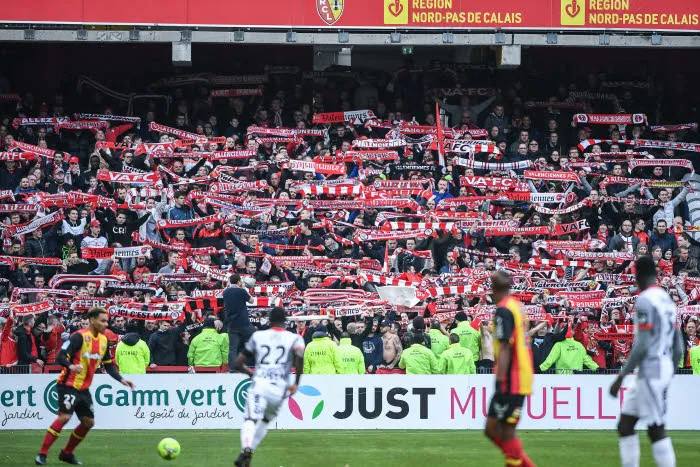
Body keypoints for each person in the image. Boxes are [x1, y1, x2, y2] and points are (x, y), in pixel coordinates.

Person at [35, 307, 135, 466]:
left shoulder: (103, 341)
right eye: (103, 320)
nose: (105, 323)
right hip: (68, 384)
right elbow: (61, 356)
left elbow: (108, 366)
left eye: (107, 321)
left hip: (83, 388)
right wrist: (71, 366)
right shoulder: (78, 337)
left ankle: (67, 453)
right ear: (92, 320)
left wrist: (122, 380)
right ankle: (42, 454)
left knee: (88, 422)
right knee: (65, 417)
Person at [609, 256, 683, 467]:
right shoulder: (666, 299)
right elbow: (678, 346)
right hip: (659, 367)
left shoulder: (644, 300)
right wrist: (669, 373)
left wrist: (621, 377)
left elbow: (641, 344)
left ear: (636, 274)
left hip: (652, 368)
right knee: (625, 424)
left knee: (655, 428)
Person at [234, 307, 304, 467]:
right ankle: (249, 451)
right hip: (280, 389)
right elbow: (300, 359)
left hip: (260, 385)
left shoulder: (258, 336)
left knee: (250, 419)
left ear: (269, 321)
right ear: (285, 321)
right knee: (265, 420)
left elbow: (238, 363)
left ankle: (246, 448)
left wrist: (252, 375)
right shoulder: (295, 338)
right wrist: (296, 383)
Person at [484, 271, 535, 467]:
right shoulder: (517, 306)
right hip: (519, 374)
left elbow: (505, 347)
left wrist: (499, 381)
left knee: (506, 431)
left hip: (512, 379)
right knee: (491, 429)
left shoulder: (504, 310)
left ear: (493, 288)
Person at [222, 273, 255, 372]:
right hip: (243, 323)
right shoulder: (242, 291)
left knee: (232, 349)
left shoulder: (225, 292)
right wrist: (244, 288)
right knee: (255, 340)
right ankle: (255, 365)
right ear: (239, 282)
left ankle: (232, 370)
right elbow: (252, 301)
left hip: (232, 325)